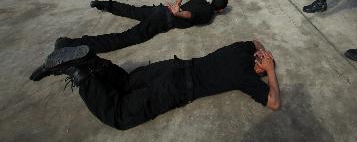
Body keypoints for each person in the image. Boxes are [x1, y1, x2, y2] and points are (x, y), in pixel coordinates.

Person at [29, 40, 280, 130]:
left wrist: (263, 53)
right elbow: (274, 103)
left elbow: (256, 40)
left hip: (171, 66)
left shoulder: (241, 49)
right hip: (176, 88)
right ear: (259, 68)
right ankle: (78, 71)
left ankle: (91, 61)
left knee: (125, 82)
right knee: (119, 115)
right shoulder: (245, 77)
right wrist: (270, 72)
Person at [47, 0, 227, 54]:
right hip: (164, 20)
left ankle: (104, 4)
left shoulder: (201, 0)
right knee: (124, 38)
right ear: (220, 10)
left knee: (132, 10)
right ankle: (70, 44)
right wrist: (178, 12)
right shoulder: (209, 14)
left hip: (161, 9)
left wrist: (176, 4)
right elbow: (190, 16)